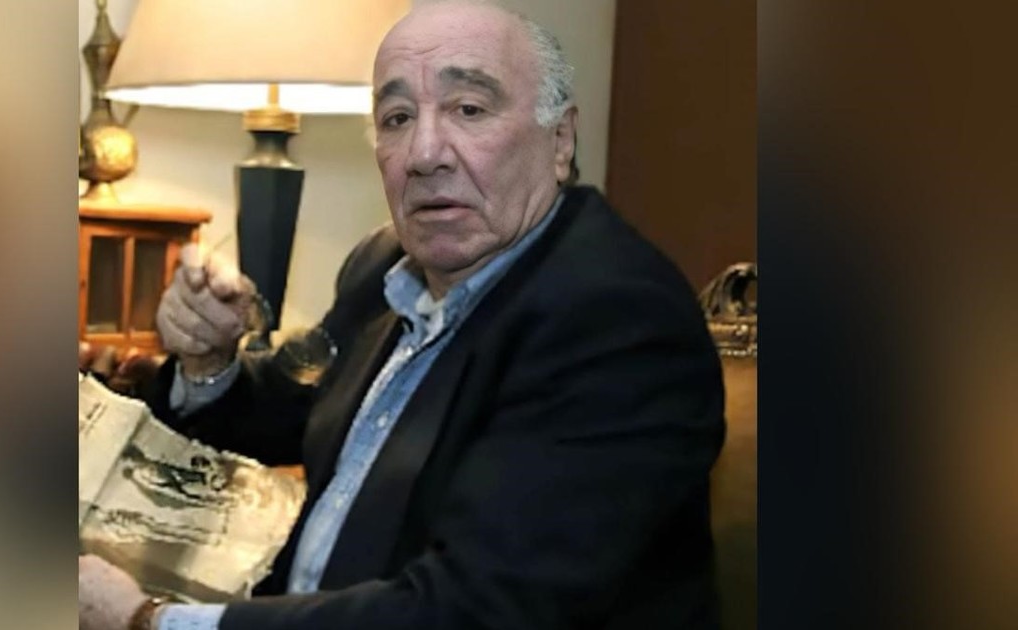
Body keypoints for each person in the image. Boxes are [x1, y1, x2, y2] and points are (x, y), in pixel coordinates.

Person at [79, 1, 725, 628]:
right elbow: (290, 406)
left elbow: (476, 612)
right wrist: (210, 360)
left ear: (560, 141)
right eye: (396, 118)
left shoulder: (616, 320)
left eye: (469, 109)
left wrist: (149, 621)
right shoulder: (385, 266)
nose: (424, 153)